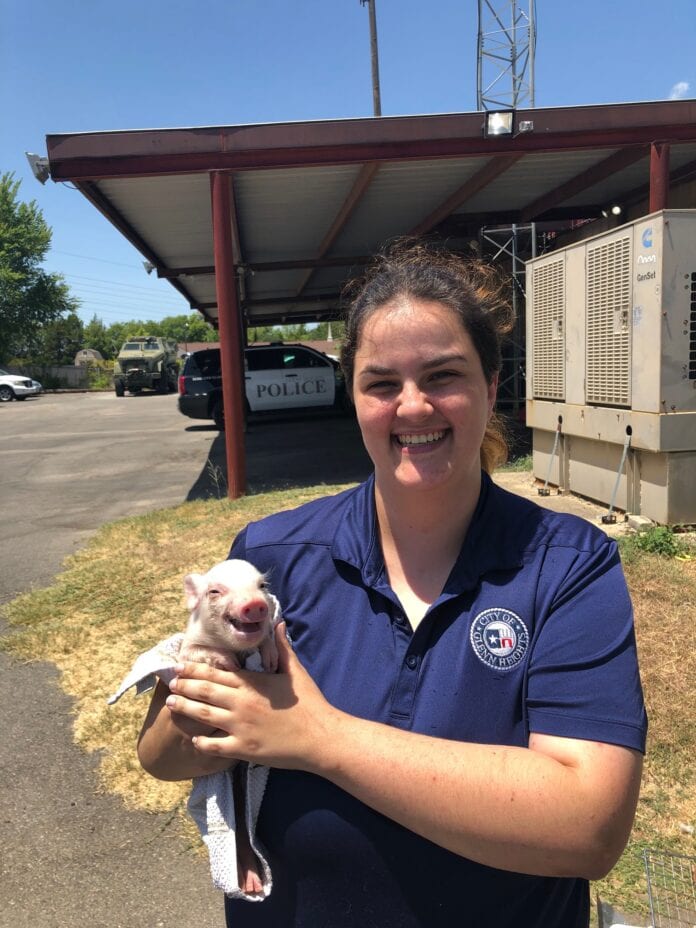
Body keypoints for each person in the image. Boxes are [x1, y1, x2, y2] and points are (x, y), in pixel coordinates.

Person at [137, 241, 647, 928]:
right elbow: (161, 759)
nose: (412, 408)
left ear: (492, 387)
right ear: (354, 398)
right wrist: (193, 684)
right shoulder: (272, 558)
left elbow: (587, 828)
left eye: (443, 376)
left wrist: (321, 739)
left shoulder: (565, 565)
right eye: (381, 384)